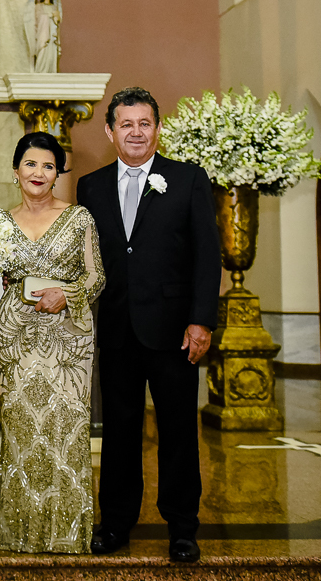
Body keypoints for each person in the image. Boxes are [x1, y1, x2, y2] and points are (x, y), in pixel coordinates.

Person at [75, 86, 221, 564]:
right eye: (126, 124)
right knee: (118, 432)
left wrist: (201, 320)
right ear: (110, 131)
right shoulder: (91, 187)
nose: (136, 132)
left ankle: (182, 527)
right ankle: (116, 521)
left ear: (158, 128)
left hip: (174, 331)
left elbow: (206, 256)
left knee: (178, 431)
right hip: (116, 331)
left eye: (144, 124)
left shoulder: (188, 180)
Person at [0, 132, 104, 554]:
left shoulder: (79, 218)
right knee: (22, 430)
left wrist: (68, 294)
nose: (39, 173)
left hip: (67, 341)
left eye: (48, 166)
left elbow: (96, 276)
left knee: (66, 430)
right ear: (16, 169)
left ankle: (67, 533)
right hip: (17, 338)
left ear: (58, 173)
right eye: (31, 164)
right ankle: (17, 533)